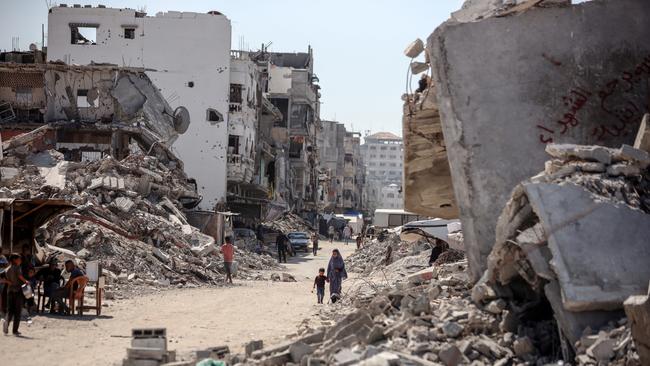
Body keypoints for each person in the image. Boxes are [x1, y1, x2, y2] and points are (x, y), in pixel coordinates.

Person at [2, 254, 29, 335]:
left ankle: (6, 323)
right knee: (17, 311)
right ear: (14, 260)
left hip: (10, 291)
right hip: (18, 291)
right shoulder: (17, 267)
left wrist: (7, 282)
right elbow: (19, 276)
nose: (20, 260)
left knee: (10, 310)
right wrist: (26, 281)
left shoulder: (7, 269)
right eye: (19, 259)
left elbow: (2, 278)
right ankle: (15, 330)